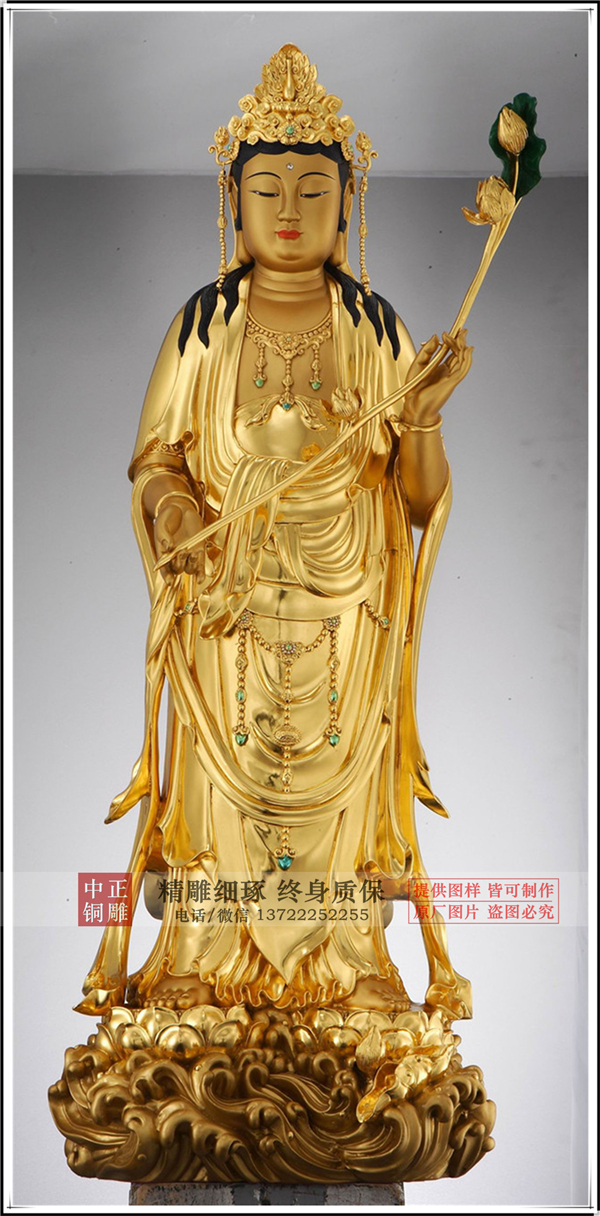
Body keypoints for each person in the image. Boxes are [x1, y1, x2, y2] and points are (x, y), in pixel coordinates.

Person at [77, 44, 474, 1020]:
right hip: (229, 609)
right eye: (266, 189)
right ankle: (198, 969)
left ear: (347, 204)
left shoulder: (376, 330)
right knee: (219, 804)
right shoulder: (202, 327)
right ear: (235, 201)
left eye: (312, 189)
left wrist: (423, 419)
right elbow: (156, 461)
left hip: (348, 615)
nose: (289, 209)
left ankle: (350, 973)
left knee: (339, 800)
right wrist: (178, 512)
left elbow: (418, 501)